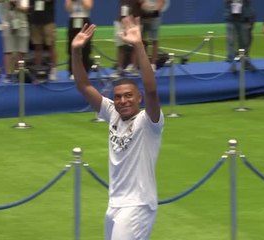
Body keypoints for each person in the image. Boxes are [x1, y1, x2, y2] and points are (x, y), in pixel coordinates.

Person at [71, 16, 164, 240]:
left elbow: (152, 90)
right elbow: (84, 85)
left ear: (139, 98)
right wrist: (75, 51)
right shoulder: (111, 112)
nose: (122, 101)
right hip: (115, 203)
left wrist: (139, 45)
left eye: (128, 96)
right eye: (118, 97)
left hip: (138, 205)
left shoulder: (149, 122)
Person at [0, 0, 29, 83]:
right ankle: (8, 75)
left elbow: (26, 9)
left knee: (21, 51)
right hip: (7, 24)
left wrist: (17, 5)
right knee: (8, 50)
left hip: (22, 23)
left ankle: (19, 73)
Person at [29, 0, 57, 81]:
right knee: (37, 46)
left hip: (48, 20)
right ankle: (37, 70)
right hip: (35, 20)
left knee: (51, 45)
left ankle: (53, 70)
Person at [65, 0, 93, 80]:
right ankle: (72, 71)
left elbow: (88, 7)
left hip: (84, 19)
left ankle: (85, 71)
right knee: (72, 47)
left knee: (85, 49)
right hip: (73, 19)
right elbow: (68, 9)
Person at [224, 0, 255, 70]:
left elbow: (248, 5)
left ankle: (244, 60)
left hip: (243, 18)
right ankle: (231, 62)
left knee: (244, 41)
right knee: (230, 41)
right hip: (231, 18)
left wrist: (249, 19)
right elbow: (226, 3)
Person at [139, 0, 166, 72]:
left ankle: (153, 64)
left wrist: (153, 8)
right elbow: (141, 3)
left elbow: (161, 3)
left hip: (155, 17)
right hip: (143, 16)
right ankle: (144, 63)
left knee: (154, 40)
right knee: (142, 40)